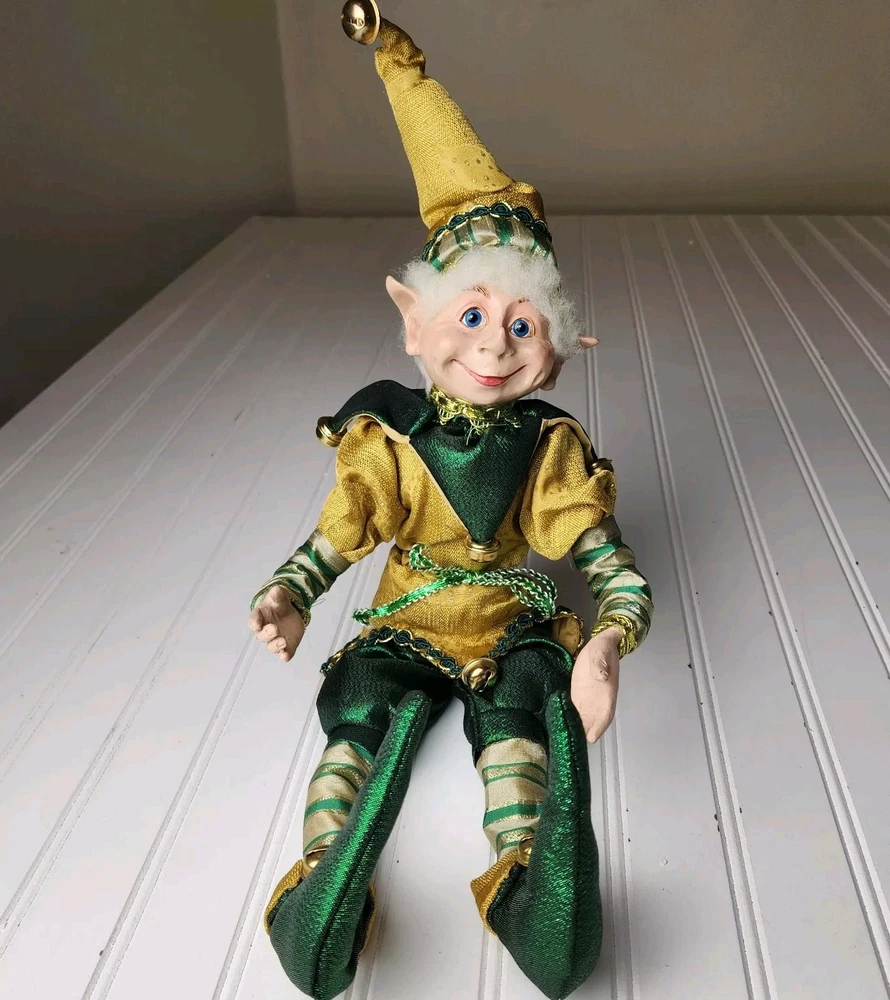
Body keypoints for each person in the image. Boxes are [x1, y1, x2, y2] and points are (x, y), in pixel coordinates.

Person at [248, 8, 653, 999]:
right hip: (404, 615)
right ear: (413, 322)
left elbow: (606, 563)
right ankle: (322, 881)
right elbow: (340, 535)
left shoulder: (548, 449)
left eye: (522, 322)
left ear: (557, 346)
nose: (491, 344)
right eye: (469, 313)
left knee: (517, 724)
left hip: (508, 618)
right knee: (357, 719)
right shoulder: (388, 437)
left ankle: (526, 879)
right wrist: (290, 594)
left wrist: (608, 639)